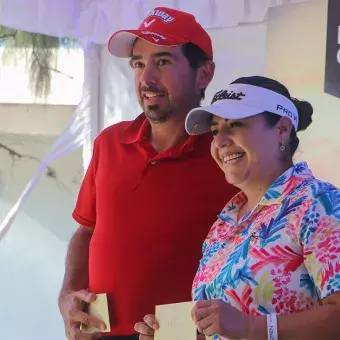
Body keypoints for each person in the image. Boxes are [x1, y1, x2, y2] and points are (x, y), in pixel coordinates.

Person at [58, 6, 239, 340]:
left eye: (163, 61)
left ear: (204, 73)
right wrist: (67, 296)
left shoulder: (228, 155)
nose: (147, 78)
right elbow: (86, 232)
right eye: (138, 63)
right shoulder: (109, 142)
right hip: (98, 334)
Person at [135, 76, 340, 340]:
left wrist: (252, 328)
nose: (220, 142)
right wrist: (175, 337)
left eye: (235, 125)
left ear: (282, 129)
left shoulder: (321, 204)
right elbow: (223, 331)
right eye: (215, 130)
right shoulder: (225, 222)